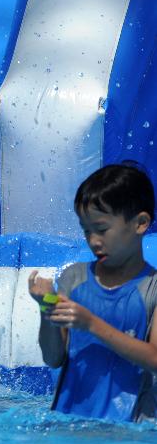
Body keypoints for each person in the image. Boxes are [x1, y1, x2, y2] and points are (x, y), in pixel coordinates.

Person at [28, 163, 157, 421]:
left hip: (132, 432)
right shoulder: (74, 279)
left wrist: (91, 324)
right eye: (86, 230)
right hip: (71, 422)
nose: (93, 241)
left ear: (140, 223)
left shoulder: (152, 288)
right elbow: (53, 358)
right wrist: (46, 308)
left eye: (102, 229)